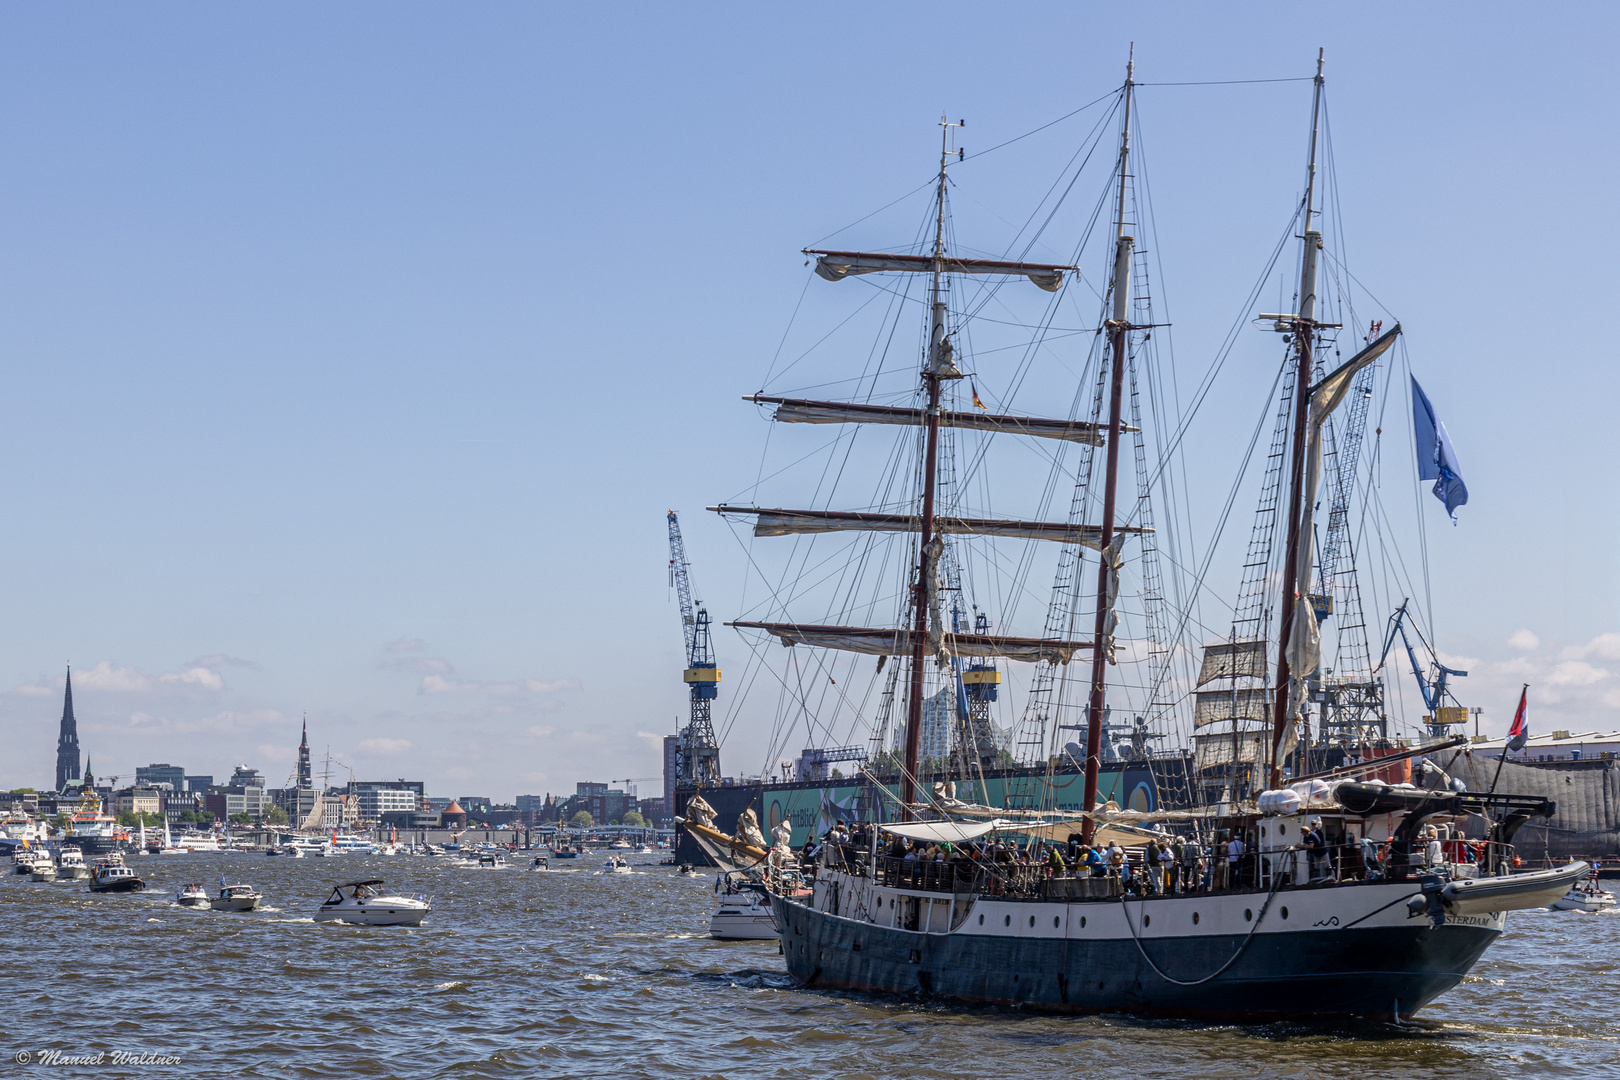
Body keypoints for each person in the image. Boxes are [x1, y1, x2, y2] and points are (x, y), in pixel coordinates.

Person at [1303, 818, 1326, 882]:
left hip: (1318, 851)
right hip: (1311, 852)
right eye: (1312, 824)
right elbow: (1307, 844)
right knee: (1311, 866)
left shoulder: (1319, 833)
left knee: (1319, 865)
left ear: (1316, 825)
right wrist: (1307, 854)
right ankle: (1312, 879)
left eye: (1314, 824)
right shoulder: (1309, 833)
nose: (1313, 825)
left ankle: (1318, 879)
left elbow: (1321, 842)